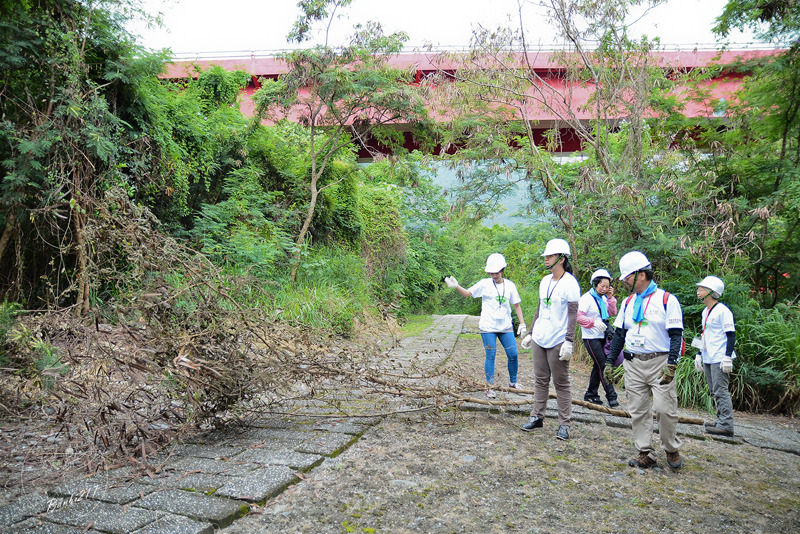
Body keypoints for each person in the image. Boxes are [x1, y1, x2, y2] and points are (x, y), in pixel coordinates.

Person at [603, 251, 684, 469]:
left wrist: (672, 364)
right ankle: (645, 451)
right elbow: (619, 334)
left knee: (665, 408)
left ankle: (671, 448)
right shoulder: (629, 303)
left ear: (641, 274)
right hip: (634, 363)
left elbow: (676, 334)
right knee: (638, 409)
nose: (625, 281)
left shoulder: (667, 300)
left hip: (659, 362)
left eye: (627, 277)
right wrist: (610, 362)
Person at [519, 238, 580, 440]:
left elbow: (573, 315)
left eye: (550, 256)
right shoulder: (545, 281)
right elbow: (540, 309)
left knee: (561, 383)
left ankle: (564, 424)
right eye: (546, 256)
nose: (546, 259)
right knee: (540, 380)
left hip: (558, 340)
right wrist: (530, 333)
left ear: (561, 258)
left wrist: (569, 341)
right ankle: (537, 416)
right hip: (541, 337)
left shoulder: (570, 283)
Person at [444, 253, 526, 399]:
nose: (494, 275)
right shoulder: (484, 284)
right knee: (491, 355)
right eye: (491, 272)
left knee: (513, 354)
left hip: (505, 327)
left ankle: (513, 383)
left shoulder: (510, 286)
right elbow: (467, 293)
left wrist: (522, 323)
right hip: (488, 327)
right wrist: (456, 286)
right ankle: (490, 386)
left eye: (497, 272)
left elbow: (517, 305)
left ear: (502, 270)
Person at [694, 275, 736, 437]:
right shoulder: (706, 311)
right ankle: (720, 421)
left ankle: (726, 424)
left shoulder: (723, 311)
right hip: (709, 356)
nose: (698, 291)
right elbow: (704, 334)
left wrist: (727, 357)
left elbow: (731, 335)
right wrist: (699, 354)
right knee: (714, 389)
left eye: (702, 289)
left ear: (712, 292)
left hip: (720, 357)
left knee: (721, 390)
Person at [577, 269, 619, 408]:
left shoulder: (604, 298)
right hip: (591, 337)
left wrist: (611, 298)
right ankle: (612, 396)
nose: (605, 289)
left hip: (603, 336)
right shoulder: (586, 298)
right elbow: (579, 317)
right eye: (602, 286)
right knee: (602, 365)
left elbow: (612, 313)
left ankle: (591, 394)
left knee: (598, 365)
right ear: (595, 284)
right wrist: (593, 322)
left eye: (607, 287)